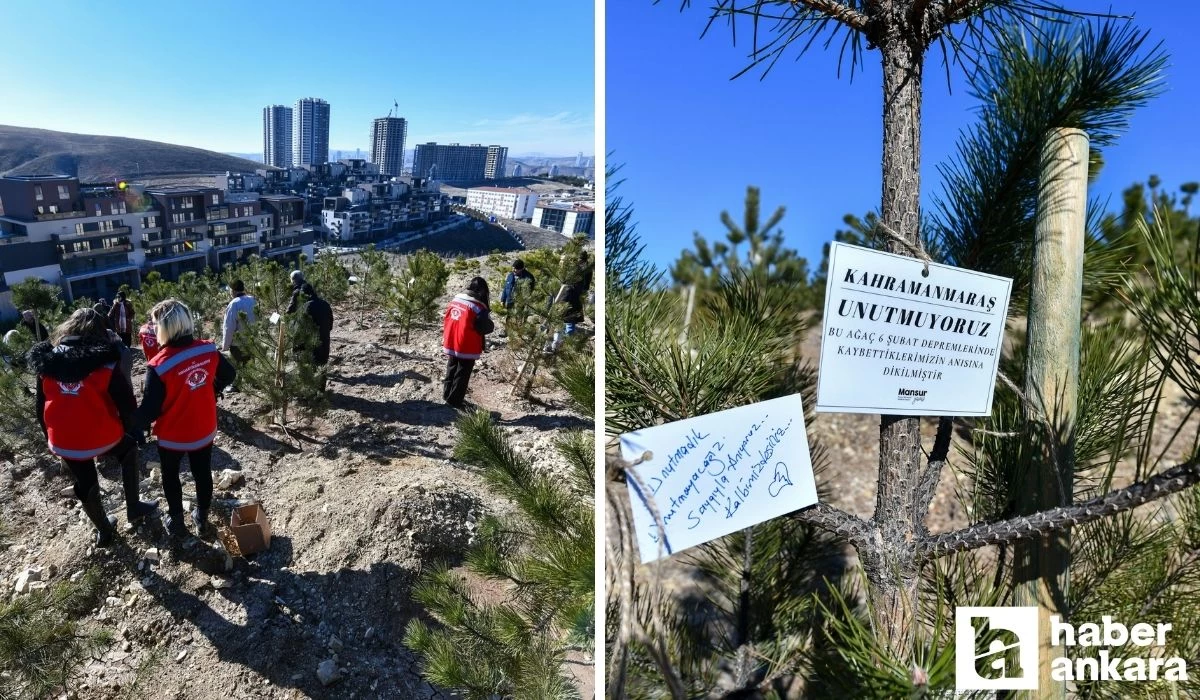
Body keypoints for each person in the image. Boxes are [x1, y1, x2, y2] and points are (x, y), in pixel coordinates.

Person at [27, 308, 158, 547]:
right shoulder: (106, 361)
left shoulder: (47, 360)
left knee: (85, 480)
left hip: (63, 439)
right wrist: (130, 428)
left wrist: (51, 440)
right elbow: (127, 406)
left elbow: (40, 407)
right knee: (128, 448)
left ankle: (104, 531)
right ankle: (134, 507)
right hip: (101, 435)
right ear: (99, 332)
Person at [136, 299, 235, 536]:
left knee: (170, 475)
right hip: (204, 427)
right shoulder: (208, 349)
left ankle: (177, 521)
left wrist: (127, 422)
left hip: (173, 435)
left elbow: (149, 412)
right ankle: (201, 517)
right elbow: (229, 374)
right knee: (202, 472)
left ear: (165, 327)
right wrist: (212, 388)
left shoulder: (159, 365)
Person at [442, 277, 494, 409]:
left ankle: (446, 394)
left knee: (452, 367)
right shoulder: (477, 307)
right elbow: (485, 328)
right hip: (467, 344)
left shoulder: (455, 300)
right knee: (463, 373)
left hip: (451, 340)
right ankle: (455, 401)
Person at [293, 283, 333, 392]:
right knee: (322, 367)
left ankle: (310, 394)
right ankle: (321, 392)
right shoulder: (325, 304)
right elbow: (330, 325)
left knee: (310, 367)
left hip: (310, 345)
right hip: (324, 342)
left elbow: (298, 329)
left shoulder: (305, 307)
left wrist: (295, 347)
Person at [220, 280, 257, 385]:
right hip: (252, 340)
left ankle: (237, 385)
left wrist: (225, 345)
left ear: (233, 290)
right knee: (250, 363)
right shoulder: (252, 300)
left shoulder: (233, 304)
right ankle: (252, 382)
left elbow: (229, 327)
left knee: (237, 365)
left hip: (238, 342)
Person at [499, 259, 536, 336]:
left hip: (521, 302)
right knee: (509, 316)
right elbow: (506, 288)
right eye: (513, 268)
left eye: (516, 269)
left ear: (522, 269)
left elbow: (530, 292)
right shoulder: (510, 275)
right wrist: (503, 299)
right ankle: (507, 331)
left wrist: (525, 302)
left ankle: (519, 334)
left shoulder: (529, 278)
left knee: (520, 317)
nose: (514, 270)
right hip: (510, 300)